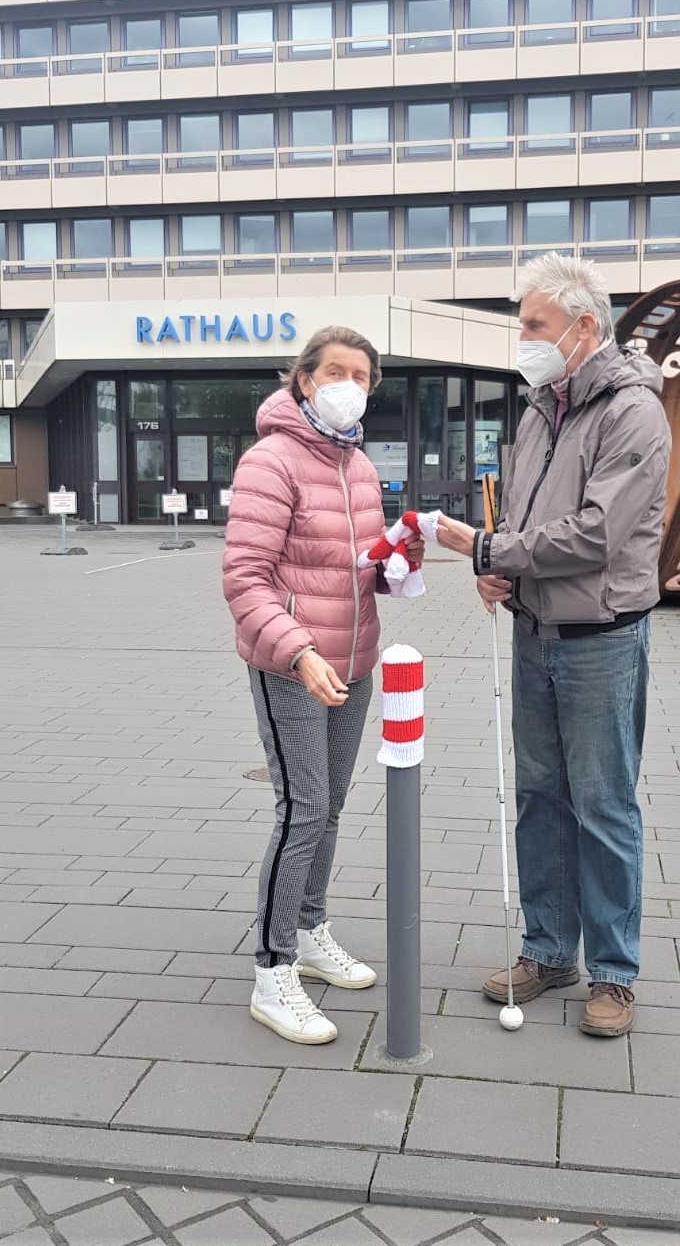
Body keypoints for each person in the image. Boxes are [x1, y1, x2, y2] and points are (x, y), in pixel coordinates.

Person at [435, 254, 670, 1037]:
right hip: (533, 634)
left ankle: (612, 974)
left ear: (584, 327)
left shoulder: (631, 411)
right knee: (539, 799)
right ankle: (547, 949)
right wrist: (499, 574)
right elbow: (525, 529)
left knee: (601, 805)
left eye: (534, 323)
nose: (522, 337)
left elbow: (596, 533)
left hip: (601, 640)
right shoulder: (541, 407)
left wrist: (489, 553)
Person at [222, 326, 424, 1046]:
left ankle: (308, 929)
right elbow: (245, 578)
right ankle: (272, 971)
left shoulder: (357, 465)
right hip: (291, 666)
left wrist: (394, 562)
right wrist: (298, 651)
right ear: (303, 380)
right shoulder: (269, 461)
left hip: (355, 660)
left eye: (362, 375)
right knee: (302, 809)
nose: (349, 384)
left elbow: (357, 567)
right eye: (335, 371)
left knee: (330, 807)